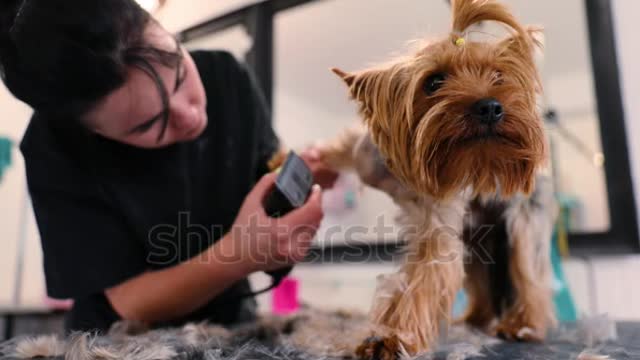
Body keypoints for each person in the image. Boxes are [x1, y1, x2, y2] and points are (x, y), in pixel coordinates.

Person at [0, 0, 336, 332]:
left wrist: (313, 175)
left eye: (180, 74)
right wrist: (239, 254)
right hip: (121, 344)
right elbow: (128, 301)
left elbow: (269, 170)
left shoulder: (226, 75)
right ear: (92, 131)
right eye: (148, 124)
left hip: (233, 329)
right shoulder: (55, 148)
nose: (190, 117)